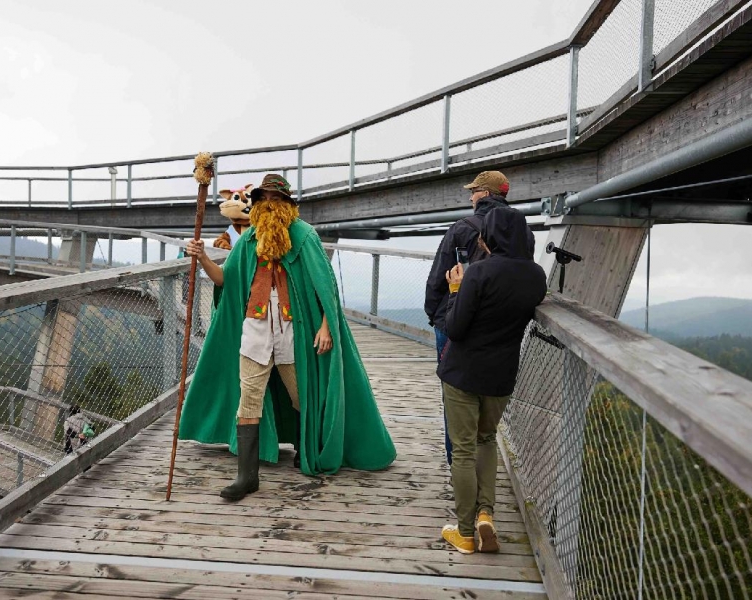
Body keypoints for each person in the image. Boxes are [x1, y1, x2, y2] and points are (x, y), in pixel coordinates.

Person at [179, 173, 396, 501]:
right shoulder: (250, 239)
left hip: (293, 332)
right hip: (255, 331)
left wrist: (326, 325)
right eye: (264, 199)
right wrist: (203, 257)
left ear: (287, 204)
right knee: (248, 398)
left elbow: (327, 287)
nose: (269, 205)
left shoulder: (304, 236)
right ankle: (246, 477)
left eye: (276, 199)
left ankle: (305, 449)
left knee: (300, 396)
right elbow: (225, 280)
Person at [437, 207, 546, 554]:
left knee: (464, 450)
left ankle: (466, 533)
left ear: (489, 237)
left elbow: (456, 328)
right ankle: (486, 513)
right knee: (486, 440)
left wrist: (455, 289)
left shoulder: (479, 273)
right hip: (501, 375)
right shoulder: (536, 276)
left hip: (462, 372)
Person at [424, 171, 534, 465]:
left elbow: (438, 278)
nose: (470, 197)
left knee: (455, 399)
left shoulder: (462, 228)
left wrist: (436, 317)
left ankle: (457, 467)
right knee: (487, 410)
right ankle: (482, 472)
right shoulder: (523, 232)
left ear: (484, 194)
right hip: (501, 330)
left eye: (473, 192)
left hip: (454, 323)